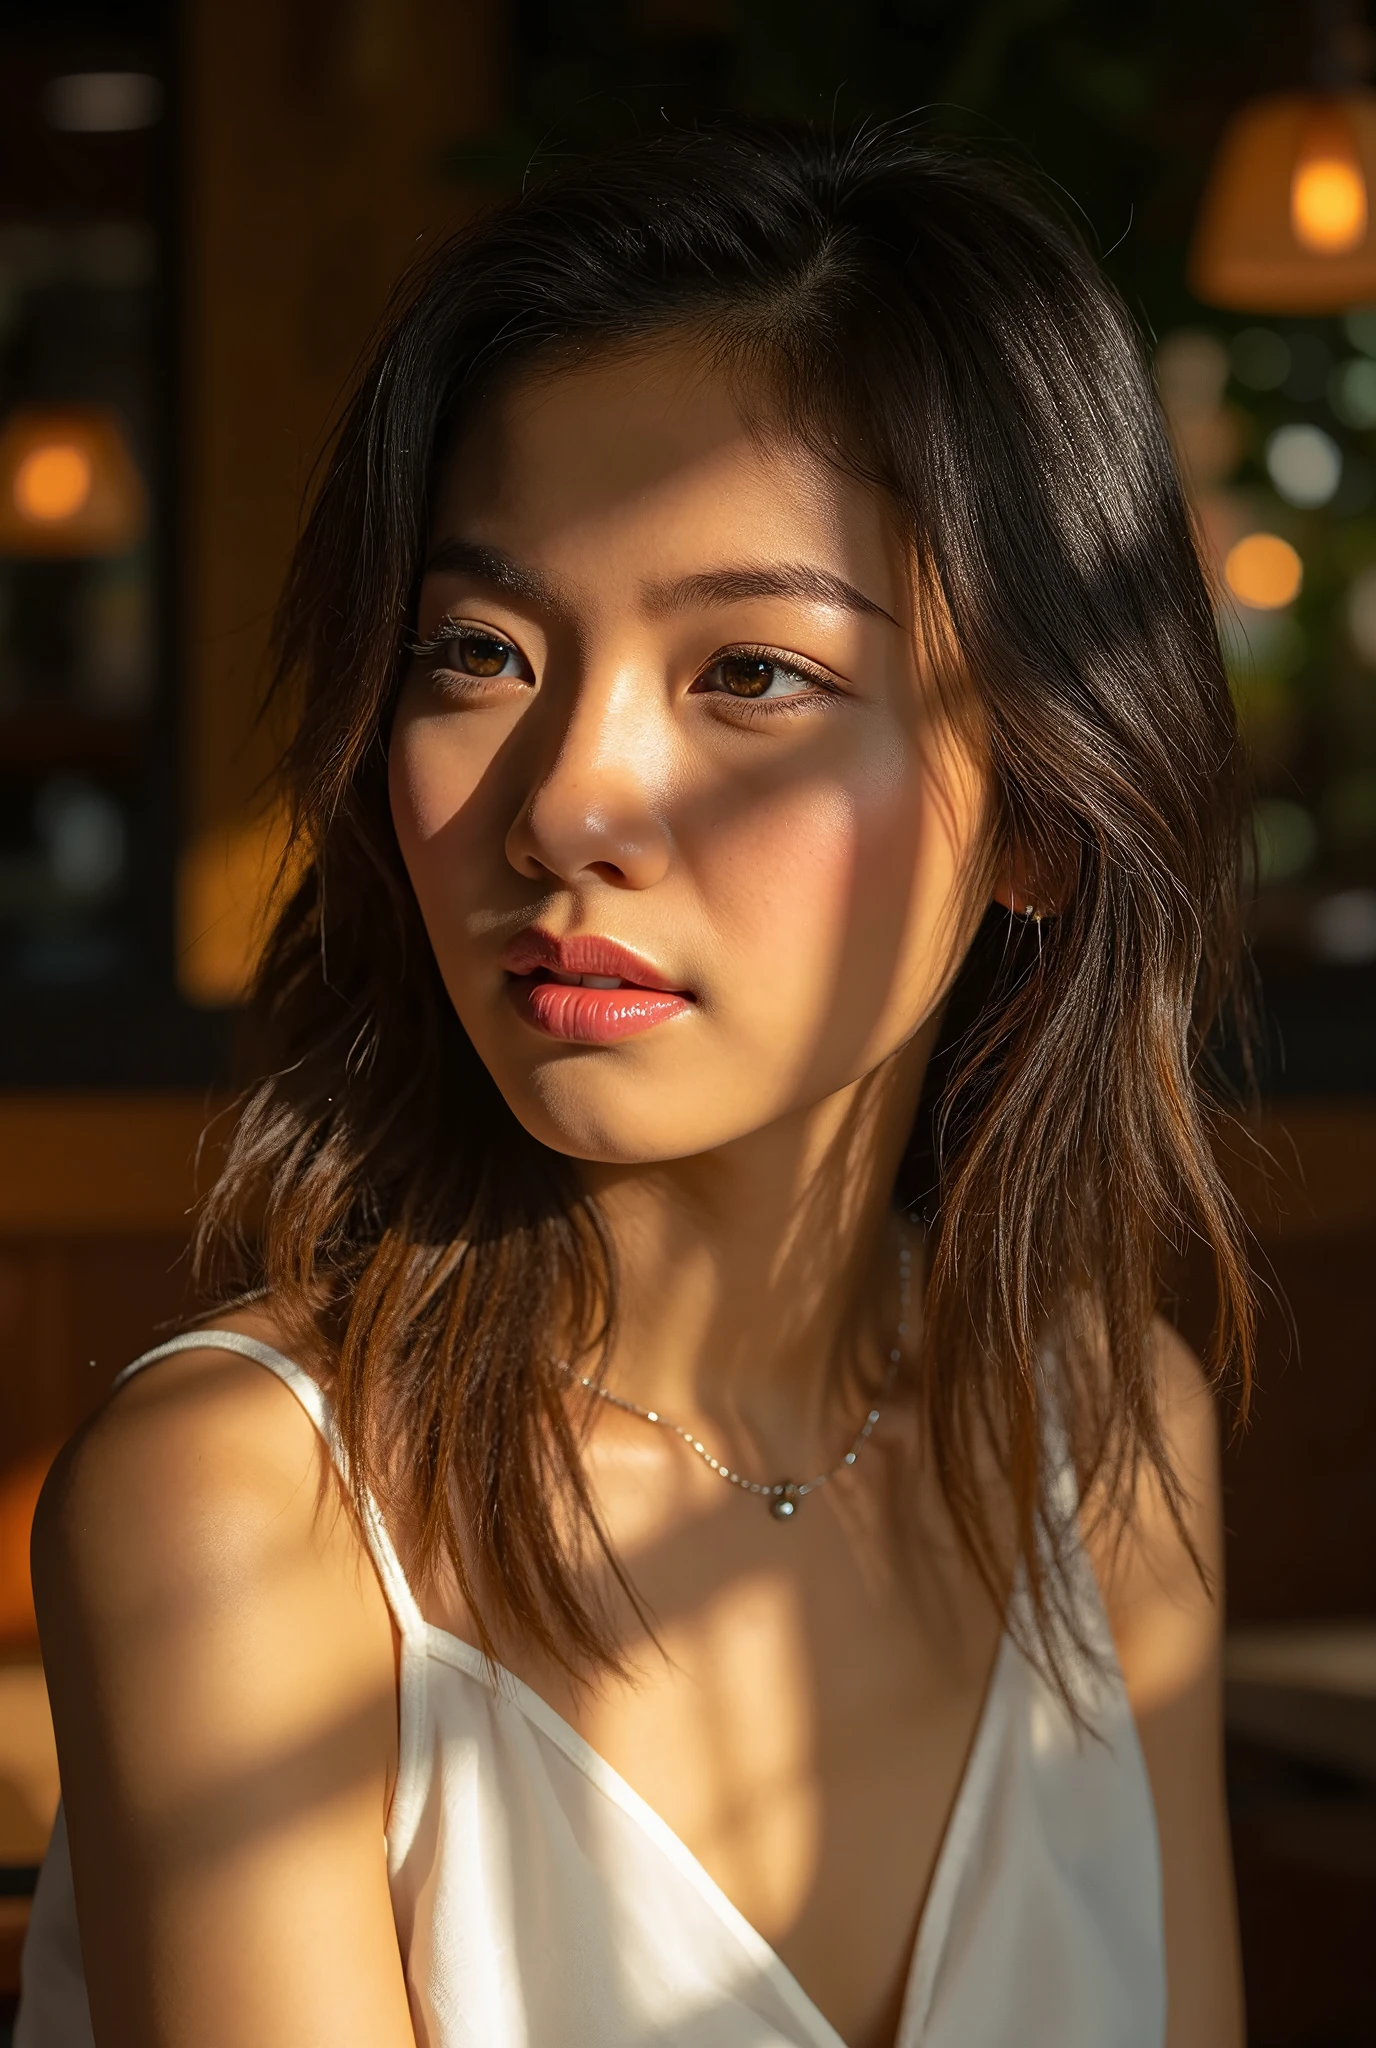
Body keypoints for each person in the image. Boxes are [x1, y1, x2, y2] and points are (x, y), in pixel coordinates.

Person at [19, 121, 1252, 2048]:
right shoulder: (250, 1514)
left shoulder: (1109, 1437)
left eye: (750, 673)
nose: (570, 806)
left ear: (1044, 812)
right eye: (479, 650)